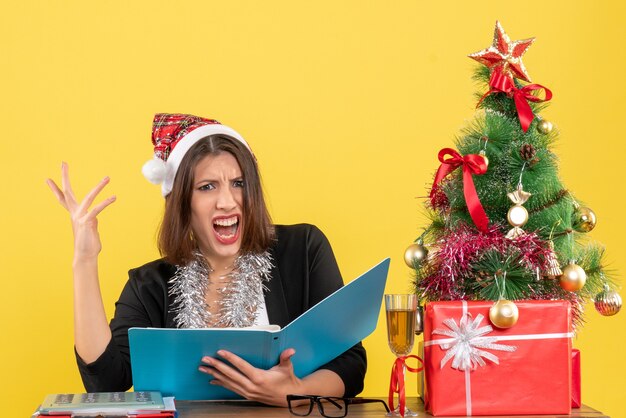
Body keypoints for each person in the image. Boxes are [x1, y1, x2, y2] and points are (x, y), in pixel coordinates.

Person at [47, 113, 366, 407]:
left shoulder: (303, 249)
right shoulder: (150, 286)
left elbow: (350, 361)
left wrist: (292, 392)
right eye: (207, 187)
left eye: (238, 183)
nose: (227, 202)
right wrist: (85, 261)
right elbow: (105, 383)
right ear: (182, 203)